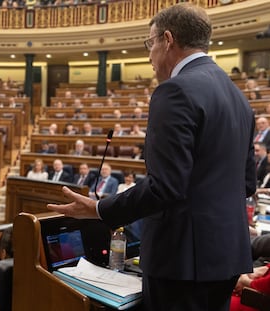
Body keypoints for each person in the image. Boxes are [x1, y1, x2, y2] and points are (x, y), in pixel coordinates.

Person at [48, 4, 256, 311]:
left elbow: (166, 187)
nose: (149, 56)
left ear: (167, 40)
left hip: (181, 262)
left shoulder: (176, 90)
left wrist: (100, 208)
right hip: (226, 257)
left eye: (150, 43)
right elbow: (247, 183)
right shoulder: (236, 95)